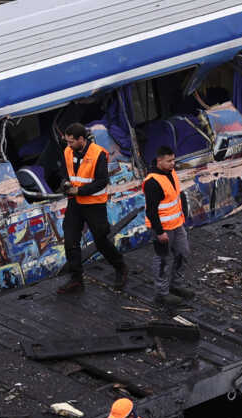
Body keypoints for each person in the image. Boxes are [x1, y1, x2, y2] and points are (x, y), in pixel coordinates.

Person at [54, 122, 128, 294]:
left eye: (71, 141)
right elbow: (65, 172)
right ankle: (76, 279)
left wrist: (80, 190)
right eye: (67, 142)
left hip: (94, 204)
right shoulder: (67, 151)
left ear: (81, 139)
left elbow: (102, 181)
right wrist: (65, 182)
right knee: (71, 240)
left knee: (101, 240)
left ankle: (120, 267)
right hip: (75, 203)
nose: (68, 145)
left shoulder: (98, 154)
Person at [142, 145, 193, 308]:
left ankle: (176, 285)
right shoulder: (152, 182)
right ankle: (162, 294)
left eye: (173, 160)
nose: (173, 164)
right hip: (163, 228)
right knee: (163, 260)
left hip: (177, 224)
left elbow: (177, 197)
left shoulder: (171, 173)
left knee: (183, 253)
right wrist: (159, 232)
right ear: (159, 161)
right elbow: (151, 211)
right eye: (169, 161)